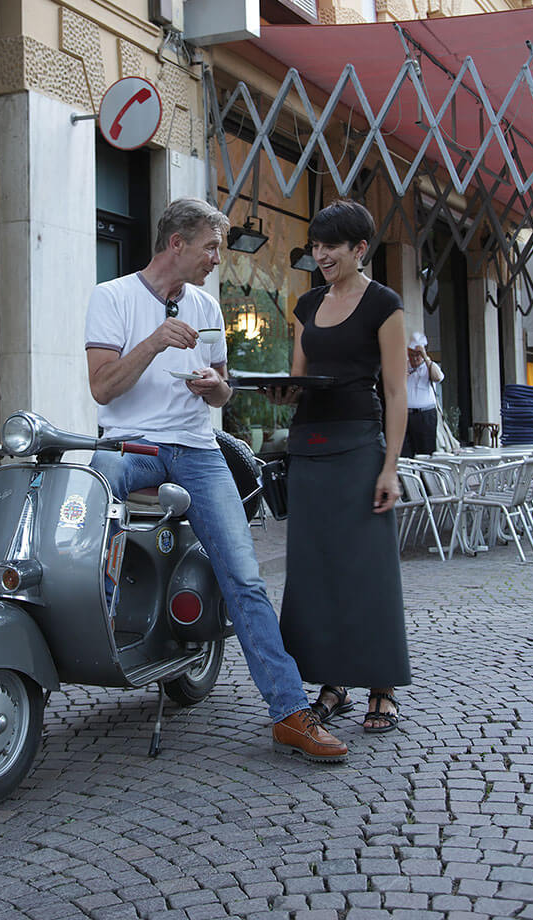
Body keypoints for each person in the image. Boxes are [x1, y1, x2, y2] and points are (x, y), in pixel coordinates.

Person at [84, 197, 349, 763]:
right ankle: (89, 625)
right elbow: (103, 389)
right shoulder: (112, 297)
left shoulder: (207, 306)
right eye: (210, 247)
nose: (216, 260)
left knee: (245, 577)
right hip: (132, 446)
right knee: (91, 481)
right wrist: (154, 341)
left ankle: (288, 713)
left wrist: (215, 388)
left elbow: (224, 391)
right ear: (175, 244)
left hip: (198, 449)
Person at [269, 200, 411, 735]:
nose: (322, 254)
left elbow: (395, 392)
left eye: (333, 246)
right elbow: (299, 380)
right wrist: (282, 393)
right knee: (315, 568)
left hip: (359, 446)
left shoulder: (385, 304)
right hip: (309, 445)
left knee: (366, 568)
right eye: (318, 244)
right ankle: (332, 683)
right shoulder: (306, 304)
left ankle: (381, 686)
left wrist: (390, 467)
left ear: (360, 250)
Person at [401, 331, 444, 457]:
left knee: (426, 452)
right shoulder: (404, 366)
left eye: (418, 355)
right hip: (406, 414)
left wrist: (426, 357)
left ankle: (425, 476)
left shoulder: (429, 366)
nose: (414, 358)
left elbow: (438, 377)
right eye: (412, 354)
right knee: (405, 452)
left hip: (425, 415)